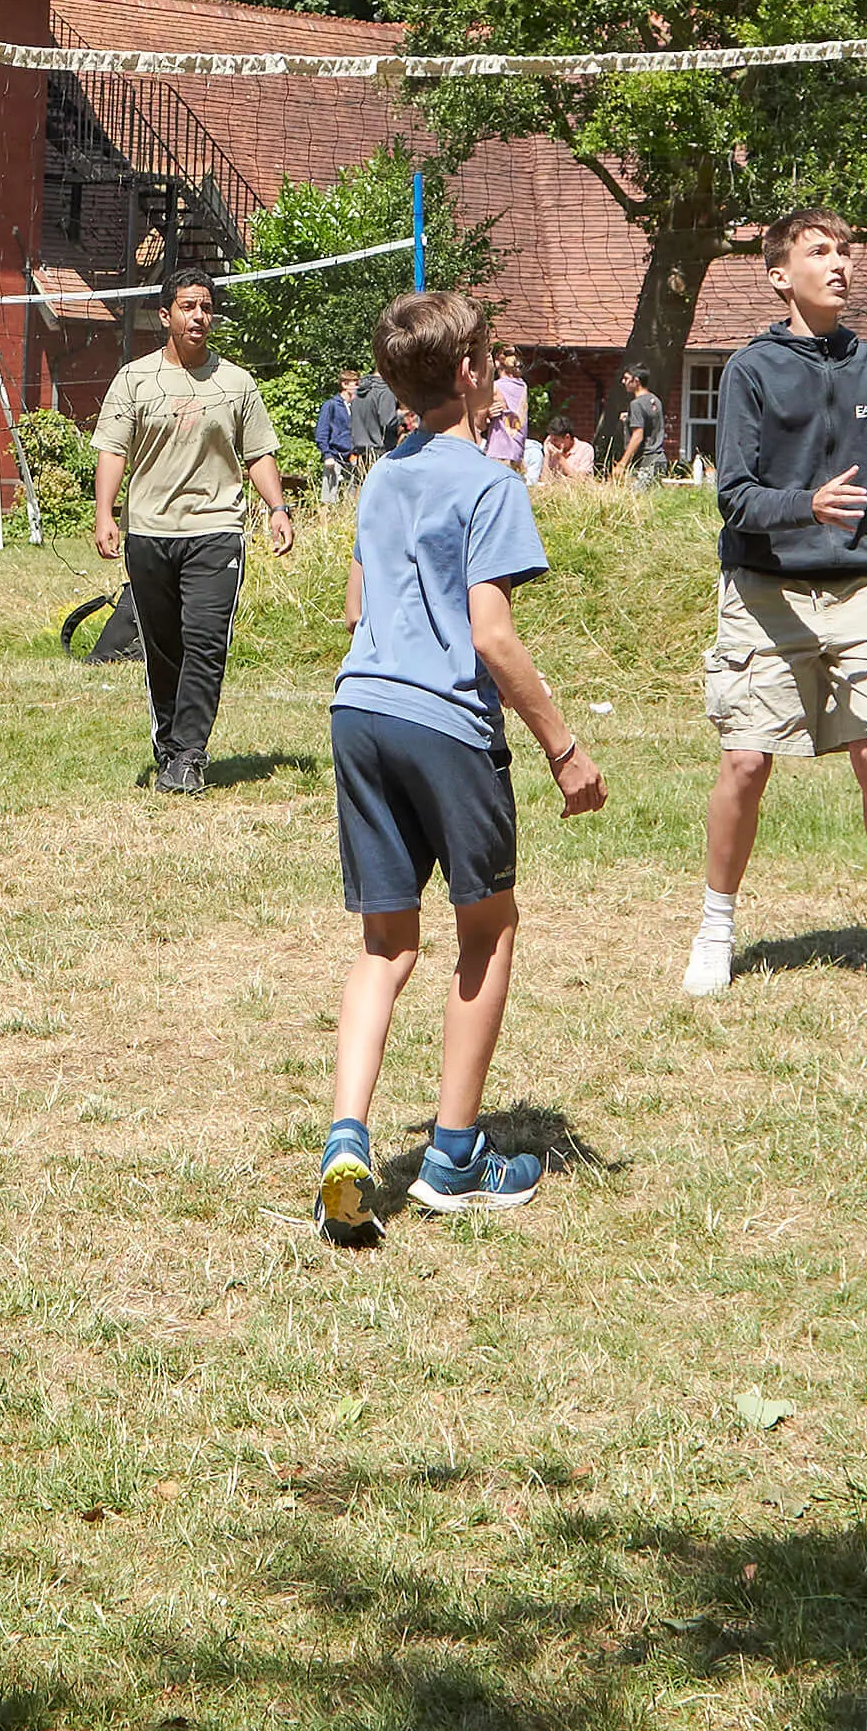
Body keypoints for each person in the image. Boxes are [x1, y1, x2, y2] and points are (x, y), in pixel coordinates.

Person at [316, 287, 607, 1233]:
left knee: (383, 945)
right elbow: (491, 636)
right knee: (485, 928)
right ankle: (452, 1156)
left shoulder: (380, 479)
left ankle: (347, 1140)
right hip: (442, 723)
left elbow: (358, 610)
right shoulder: (490, 484)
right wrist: (563, 746)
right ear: (471, 373)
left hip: (358, 710)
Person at [689, 207, 867, 1003]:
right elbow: (734, 498)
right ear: (780, 276)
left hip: (857, 591)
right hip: (764, 591)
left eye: (846, 249)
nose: (840, 262)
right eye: (819, 252)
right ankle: (715, 929)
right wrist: (806, 503)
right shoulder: (748, 368)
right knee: (745, 760)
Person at [89, 269, 295, 795]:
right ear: (166, 316)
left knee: (205, 643)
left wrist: (277, 507)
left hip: (216, 530)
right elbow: (113, 449)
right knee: (163, 647)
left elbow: (258, 453)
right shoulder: (134, 379)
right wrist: (105, 513)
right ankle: (169, 745)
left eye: (206, 307)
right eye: (188, 307)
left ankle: (189, 755)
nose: (199, 316)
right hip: (151, 532)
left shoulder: (237, 383)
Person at [312, 365, 377, 500]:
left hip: (353, 459)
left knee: (351, 500)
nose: (358, 387)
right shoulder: (331, 405)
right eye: (356, 384)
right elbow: (321, 433)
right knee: (330, 499)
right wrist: (327, 455)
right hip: (335, 458)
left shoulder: (356, 406)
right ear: (345, 385)